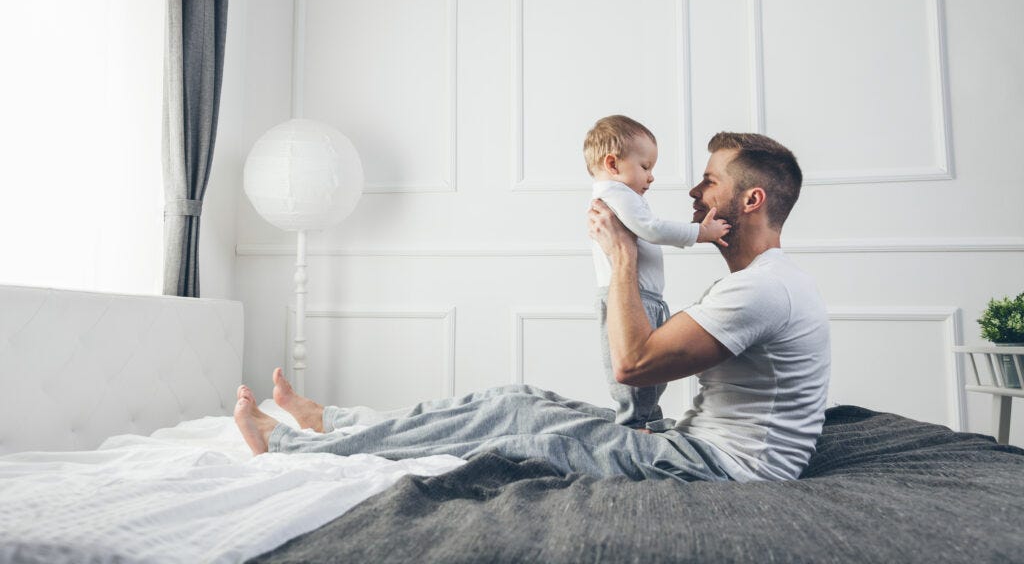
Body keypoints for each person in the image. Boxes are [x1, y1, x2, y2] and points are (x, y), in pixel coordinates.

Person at [235, 132, 830, 483]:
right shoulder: (762, 282)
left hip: (717, 470)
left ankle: (291, 447)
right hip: (697, 445)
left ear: (751, 200)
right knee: (516, 400)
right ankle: (335, 424)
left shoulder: (760, 290)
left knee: (516, 426)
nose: (696, 194)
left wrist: (622, 260)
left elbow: (633, 363)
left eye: (709, 181)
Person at [583, 115, 730, 429]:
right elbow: (650, 229)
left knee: (652, 372)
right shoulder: (617, 194)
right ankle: (634, 423)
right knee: (635, 374)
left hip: (645, 297)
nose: (651, 177)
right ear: (612, 163)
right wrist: (699, 233)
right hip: (631, 298)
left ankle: (646, 417)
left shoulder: (620, 196)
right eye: (645, 167)